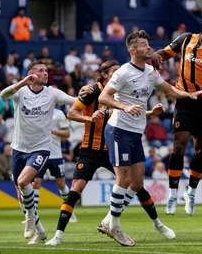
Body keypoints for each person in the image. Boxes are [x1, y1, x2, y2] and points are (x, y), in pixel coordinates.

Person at [98, 31, 202, 245]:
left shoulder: (149, 71)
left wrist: (189, 95)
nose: (148, 48)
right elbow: (104, 97)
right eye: (143, 44)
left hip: (135, 133)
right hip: (118, 130)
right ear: (133, 51)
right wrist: (124, 106)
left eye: (148, 43)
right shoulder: (122, 72)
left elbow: (169, 91)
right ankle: (115, 225)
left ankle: (108, 220)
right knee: (123, 179)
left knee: (137, 182)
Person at [46, 60, 165, 246]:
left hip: (112, 147)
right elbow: (71, 113)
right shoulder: (93, 91)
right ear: (104, 75)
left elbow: (132, 114)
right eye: (114, 71)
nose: (119, 74)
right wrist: (90, 118)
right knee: (76, 189)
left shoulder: (122, 92)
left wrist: (150, 112)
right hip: (90, 149)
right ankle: (58, 235)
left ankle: (157, 223)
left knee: (136, 184)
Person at [150, 15, 202, 217]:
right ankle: (172, 194)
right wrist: (155, 55)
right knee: (179, 144)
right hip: (185, 99)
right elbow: (165, 52)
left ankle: (191, 192)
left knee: (200, 150)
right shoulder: (186, 39)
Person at [0, 61, 92, 243]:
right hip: (18, 148)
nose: (45, 73)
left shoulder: (52, 93)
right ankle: (40, 230)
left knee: (24, 181)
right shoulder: (21, 92)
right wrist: (22, 82)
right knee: (20, 193)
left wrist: (85, 93)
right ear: (31, 74)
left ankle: (29, 219)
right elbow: (3, 95)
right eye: (41, 71)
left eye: (46, 71)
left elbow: (75, 101)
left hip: (41, 148)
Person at [29, 109, 75, 222]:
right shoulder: (37, 111)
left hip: (55, 155)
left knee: (61, 184)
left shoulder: (59, 114)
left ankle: (70, 211)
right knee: (35, 183)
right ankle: (33, 215)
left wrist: (53, 131)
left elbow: (67, 133)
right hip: (39, 154)